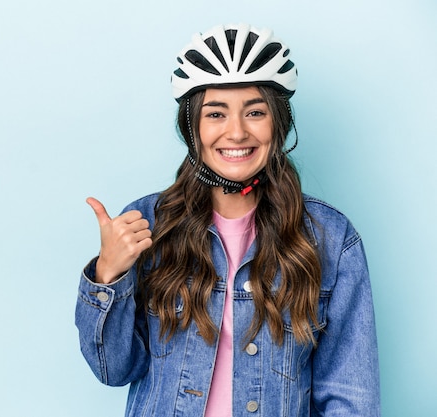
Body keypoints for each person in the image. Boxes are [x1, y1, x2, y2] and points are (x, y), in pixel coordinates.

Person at [75, 23, 380, 417]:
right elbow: (113, 369)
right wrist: (108, 275)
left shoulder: (332, 241)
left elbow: (351, 399)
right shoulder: (147, 226)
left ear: (278, 123)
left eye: (255, 112)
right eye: (215, 114)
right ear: (193, 127)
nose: (236, 132)